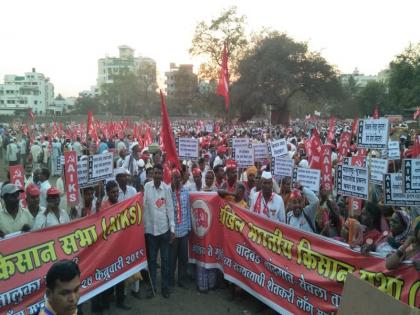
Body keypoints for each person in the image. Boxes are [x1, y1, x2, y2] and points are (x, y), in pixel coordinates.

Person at [91, 181, 131, 313]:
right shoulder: (103, 206)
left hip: (119, 246)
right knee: (108, 277)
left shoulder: (121, 204)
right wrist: (97, 212)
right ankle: (105, 303)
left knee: (120, 275)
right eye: (113, 192)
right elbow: (97, 225)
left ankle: (120, 300)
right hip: (107, 248)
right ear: (107, 193)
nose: (115, 194)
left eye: (117, 192)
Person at [143, 164, 175, 299]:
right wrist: (143, 228)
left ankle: (165, 287)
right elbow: (144, 206)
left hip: (164, 230)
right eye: (154, 173)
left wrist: (172, 229)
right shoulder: (147, 187)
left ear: (162, 175)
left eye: (159, 174)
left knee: (166, 261)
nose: (157, 176)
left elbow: (170, 209)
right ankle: (152, 287)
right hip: (150, 231)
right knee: (151, 261)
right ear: (152, 174)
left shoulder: (166, 189)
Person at [170, 169, 191, 290]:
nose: (177, 180)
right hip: (173, 232)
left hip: (183, 231)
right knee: (172, 259)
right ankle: (171, 280)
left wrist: (188, 227)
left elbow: (187, 209)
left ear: (181, 178)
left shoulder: (185, 191)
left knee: (183, 258)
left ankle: (182, 279)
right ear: (171, 179)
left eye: (178, 177)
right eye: (174, 177)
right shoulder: (169, 192)